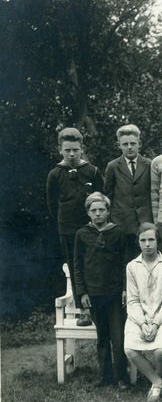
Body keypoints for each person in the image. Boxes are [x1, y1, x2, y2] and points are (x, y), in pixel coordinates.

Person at [46, 127, 104, 326]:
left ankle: (100, 308)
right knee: (75, 268)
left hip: (92, 229)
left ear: (82, 149)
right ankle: (83, 311)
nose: (72, 154)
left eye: (76, 150)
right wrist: (66, 223)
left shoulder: (92, 171)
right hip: (68, 231)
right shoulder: (55, 174)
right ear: (60, 150)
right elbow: (52, 206)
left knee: (94, 267)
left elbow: (103, 199)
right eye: (67, 150)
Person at [73, 192, 129, 388]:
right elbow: (77, 266)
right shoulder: (82, 234)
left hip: (114, 294)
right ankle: (105, 376)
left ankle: (121, 376)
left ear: (108, 211)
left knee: (118, 336)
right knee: (102, 337)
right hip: (94, 294)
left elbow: (125, 264)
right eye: (93, 210)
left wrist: (124, 289)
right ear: (88, 213)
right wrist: (82, 293)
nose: (98, 214)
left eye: (101, 210)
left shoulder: (117, 233)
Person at [124, 223, 162, 402]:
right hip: (139, 317)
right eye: (143, 240)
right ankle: (157, 382)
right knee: (130, 349)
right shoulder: (132, 266)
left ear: (158, 241)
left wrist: (155, 323)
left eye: (151, 240)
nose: (147, 244)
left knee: (161, 352)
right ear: (138, 243)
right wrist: (143, 322)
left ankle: (159, 377)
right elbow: (132, 300)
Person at [104, 124, 153, 259]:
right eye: (125, 144)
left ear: (139, 144)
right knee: (125, 261)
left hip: (145, 222)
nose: (129, 147)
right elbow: (108, 196)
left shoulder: (149, 164)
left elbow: (153, 192)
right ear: (119, 145)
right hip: (122, 223)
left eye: (133, 143)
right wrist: (111, 222)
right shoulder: (113, 166)